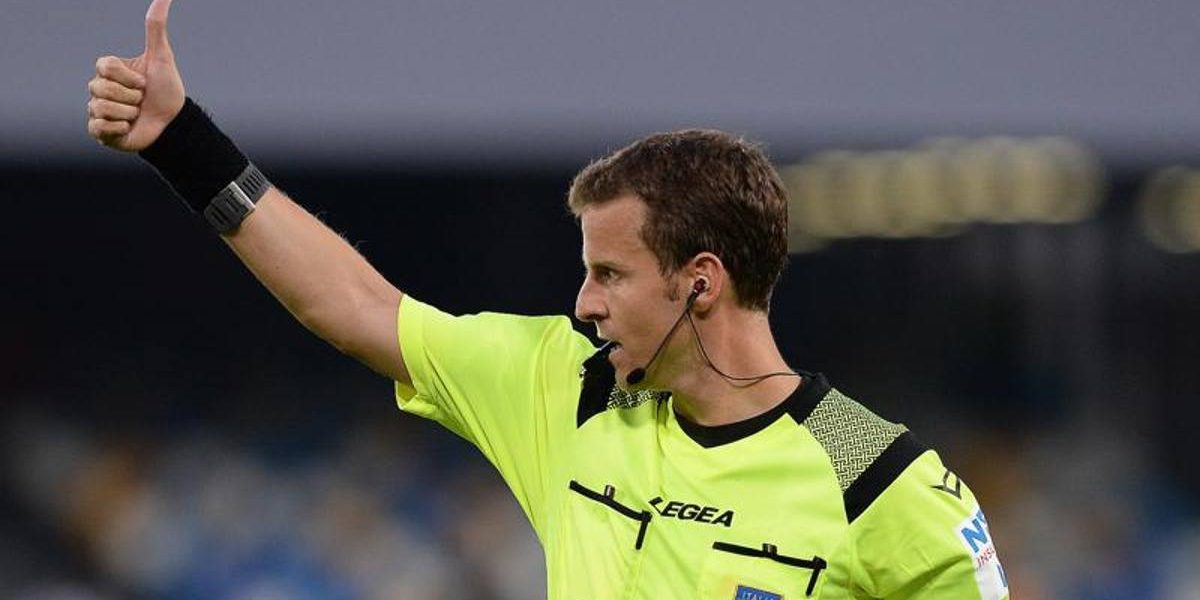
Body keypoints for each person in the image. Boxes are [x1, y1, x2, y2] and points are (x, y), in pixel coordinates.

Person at [86, 1, 1010, 598]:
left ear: (700, 281)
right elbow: (356, 305)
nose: (583, 304)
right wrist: (182, 143)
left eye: (610, 274)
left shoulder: (875, 471)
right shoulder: (567, 388)